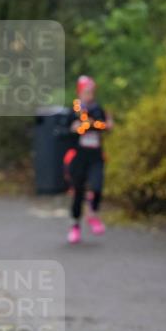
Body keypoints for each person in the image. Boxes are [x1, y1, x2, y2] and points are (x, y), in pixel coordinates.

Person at [64, 76, 113, 244]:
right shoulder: (75, 108)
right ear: (80, 92)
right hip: (79, 158)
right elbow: (68, 129)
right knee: (78, 192)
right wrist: (75, 128)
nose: (90, 95)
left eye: (92, 92)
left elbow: (103, 125)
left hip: (96, 156)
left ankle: (93, 213)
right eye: (86, 92)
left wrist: (103, 125)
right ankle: (75, 225)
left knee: (98, 186)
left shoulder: (98, 108)